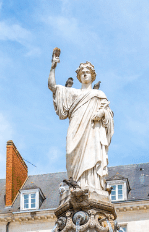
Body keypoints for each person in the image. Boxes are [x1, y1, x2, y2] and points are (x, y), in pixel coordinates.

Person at [48, 48, 114, 192]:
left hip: (92, 131)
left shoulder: (98, 94)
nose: (85, 74)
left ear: (92, 76)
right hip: (75, 129)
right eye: (82, 72)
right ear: (78, 76)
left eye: (87, 72)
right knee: (70, 153)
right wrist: (53, 67)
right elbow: (52, 87)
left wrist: (102, 113)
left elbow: (109, 114)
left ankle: (93, 185)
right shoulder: (73, 93)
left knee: (92, 154)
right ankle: (75, 184)